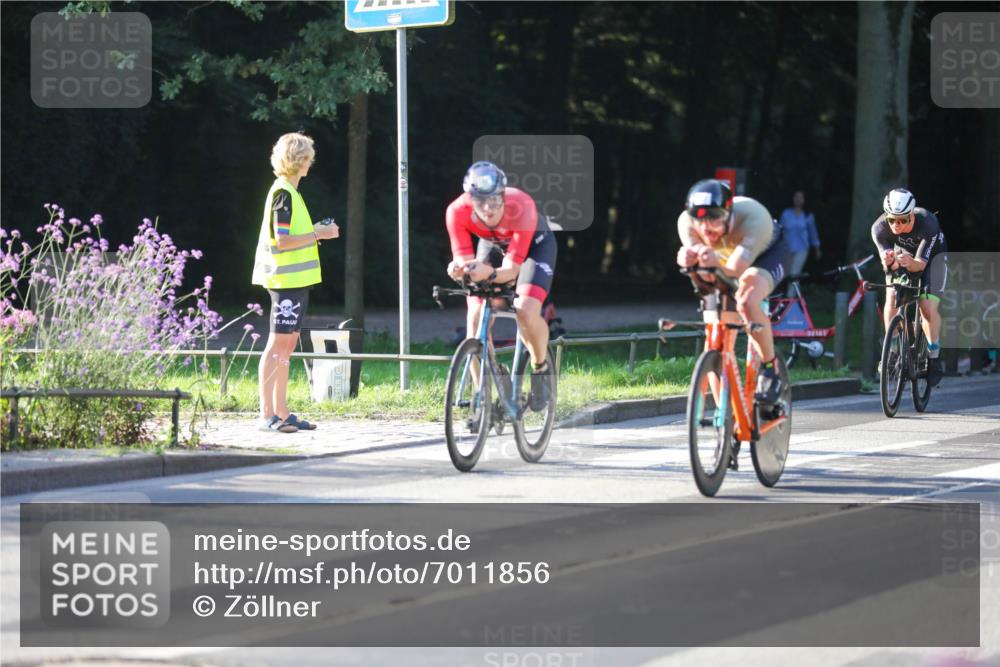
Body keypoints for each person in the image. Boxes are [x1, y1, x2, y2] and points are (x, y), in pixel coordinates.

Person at [445, 161, 557, 411]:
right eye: (479, 201)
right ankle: (482, 393)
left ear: (503, 194)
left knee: (525, 310)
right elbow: (464, 259)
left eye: (494, 200)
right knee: (474, 318)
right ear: (469, 198)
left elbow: (511, 271)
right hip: (492, 246)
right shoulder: (456, 211)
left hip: (533, 248)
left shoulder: (522, 205)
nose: (487, 207)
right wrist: (460, 269)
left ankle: (541, 368)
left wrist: (490, 273)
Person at [251, 132, 339, 432]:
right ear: (302, 160)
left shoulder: (290, 192)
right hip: (285, 280)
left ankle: (282, 411)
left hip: (295, 281)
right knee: (278, 345)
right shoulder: (283, 193)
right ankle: (267, 415)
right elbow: (283, 241)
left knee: (286, 347)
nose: (310, 163)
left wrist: (314, 229)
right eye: (308, 157)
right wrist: (318, 234)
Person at [676, 179, 792, 405]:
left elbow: (735, 272)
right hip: (722, 261)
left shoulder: (753, 217)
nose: (705, 227)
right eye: (699, 219)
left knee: (747, 300)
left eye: (714, 218)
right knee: (715, 331)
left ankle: (770, 369)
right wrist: (691, 267)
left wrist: (710, 264)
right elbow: (706, 281)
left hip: (764, 257)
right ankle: (726, 419)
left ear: (729, 212)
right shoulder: (685, 222)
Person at [870, 188, 947, 387]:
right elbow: (887, 265)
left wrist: (908, 262)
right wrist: (891, 262)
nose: (896, 225)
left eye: (903, 220)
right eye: (892, 220)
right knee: (892, 300)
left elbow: (920, 266)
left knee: (927, 308)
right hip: (903, 256)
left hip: (932, 259)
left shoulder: (928, 223)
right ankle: (893, 349)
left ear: (912, 215)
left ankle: (934, 354)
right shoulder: (878, 228)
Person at [778, 190, 821, 294]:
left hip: (802, 249)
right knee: (786, 274)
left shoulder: (807, 216)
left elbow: (813, 233)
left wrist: (817, 248)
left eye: (800, 197)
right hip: (787, 249)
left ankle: (789, 301)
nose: (798, 200)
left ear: (804, 200)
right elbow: (780, 230)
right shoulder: (786, 214)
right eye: (796, 197)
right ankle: (797, 299)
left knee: (794, 274)